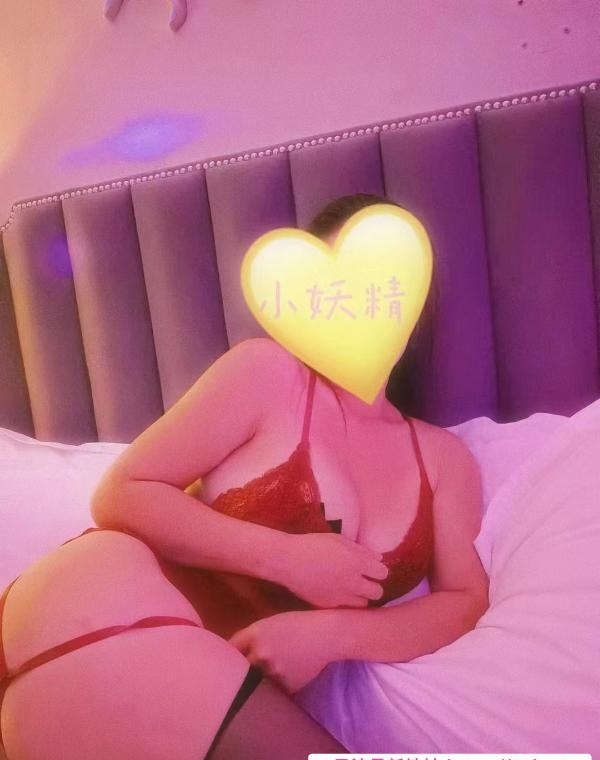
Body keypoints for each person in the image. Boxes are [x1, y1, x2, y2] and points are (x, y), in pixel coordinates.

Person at [0, 193, 488, 760]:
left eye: (381, 286)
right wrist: (283, 557)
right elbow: (121, 493)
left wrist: (329, 635)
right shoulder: (268, 373)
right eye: (333, 291)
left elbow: (463, 601)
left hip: (210, 673)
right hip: (103, 596)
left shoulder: (443, 458)